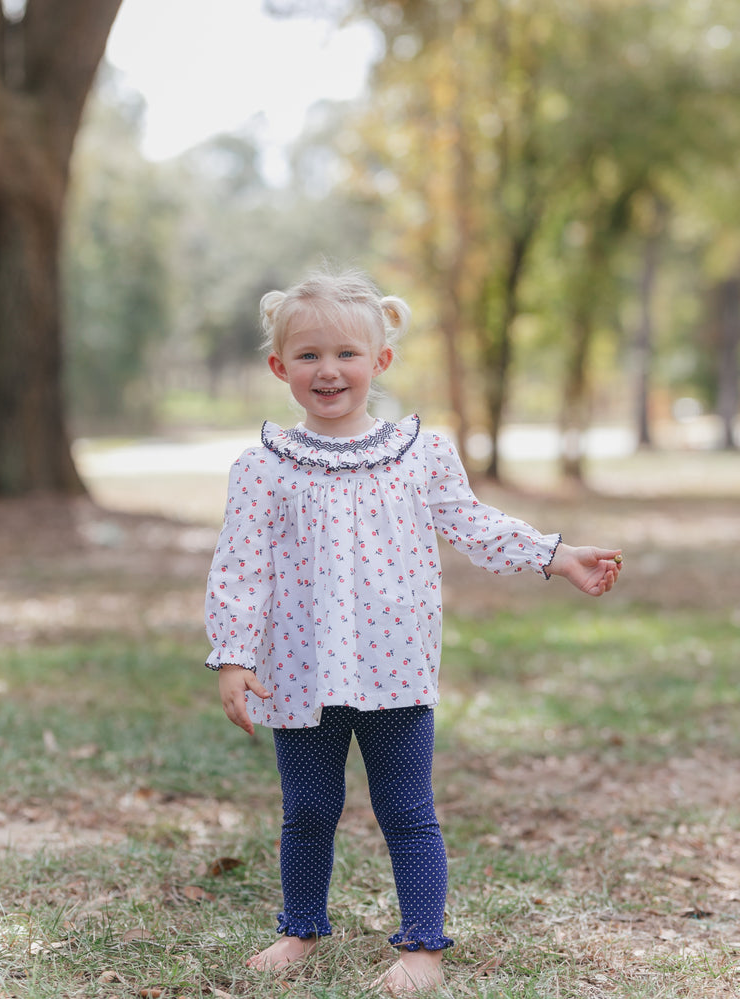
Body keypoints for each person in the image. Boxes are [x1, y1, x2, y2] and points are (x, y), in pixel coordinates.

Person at [204, 268, 622, 995]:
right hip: (299, 672)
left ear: (380, 361)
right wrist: (233, 657)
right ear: (280, 368)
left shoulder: (418, 453)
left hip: (392, 668)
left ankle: (423, 945)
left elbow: (474, 524)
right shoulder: (262, 467)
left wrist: (555, 554)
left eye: (345, 354)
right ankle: (300, 927)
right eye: (307, 356)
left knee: (407, 810)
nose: (327, 370)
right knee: (307, 809)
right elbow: (239, 568)